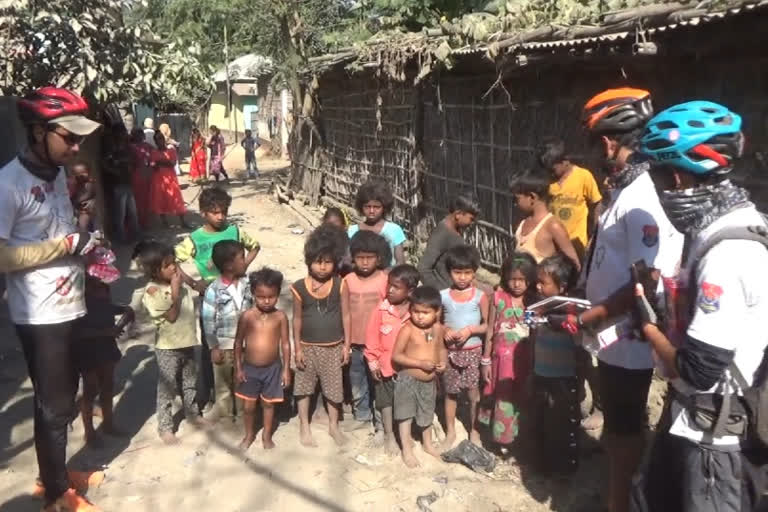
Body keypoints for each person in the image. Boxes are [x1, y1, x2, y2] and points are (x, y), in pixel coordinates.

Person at [549, 88, 683, 512]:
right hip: (614, 332)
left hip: (627, 338)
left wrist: (595, 314)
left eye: (596, 144)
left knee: (624, 427)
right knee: (619, 421)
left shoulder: (641, 194)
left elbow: (649, 277)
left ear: (608, 142)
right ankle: (618, 492)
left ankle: (618, 502)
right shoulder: (626, 189)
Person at [630, 101, 768, 511]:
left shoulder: (728, 253)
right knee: (647, 496)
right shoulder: (737, 223)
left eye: (657, 178)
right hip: (691, 420)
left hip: (715, 441)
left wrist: (649, 325)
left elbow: (699, 369)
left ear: (675, 176)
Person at [0, 87, 104, 512]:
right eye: (69, 136)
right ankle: (58, 497)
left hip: (70, 303)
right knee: (53, 403)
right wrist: (63, 247)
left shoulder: (58, 173)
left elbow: (59, 227)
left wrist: (82, 210)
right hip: (39, 313)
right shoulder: (8, 184)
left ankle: (54, 476)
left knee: (66, 393)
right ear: (39, 132)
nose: (77, 145)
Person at [175, 187, 260, 412]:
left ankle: (244, 392)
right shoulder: (194, 239)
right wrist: (193, 283)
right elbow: (173, 260)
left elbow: (255, 246)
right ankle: (214, 394)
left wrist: (242, 269)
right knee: (211, 345)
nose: (221, 217)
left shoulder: (235, 231)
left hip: (237, 294)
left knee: (242, 341)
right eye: (215, 212)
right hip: (211, 297)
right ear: (203, 213)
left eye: (224, 211)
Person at [135, 240, 207, 445]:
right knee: (167, 388)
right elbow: (173, 316)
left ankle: (193, 413)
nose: (174, 267)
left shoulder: (176, 280)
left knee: (189, 381)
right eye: (167, 265)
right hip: (168, 348)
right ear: (154, 271)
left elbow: (183, 276)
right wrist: (175, 291)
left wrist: (191, 283)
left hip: (187, 341)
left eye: (173, 262)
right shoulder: (153, 292)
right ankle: (165, 427)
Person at [292, 225, 350, 447]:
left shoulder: (340, 284)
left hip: (334, 347)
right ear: (309, 262)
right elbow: (296, 320)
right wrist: (297, 348)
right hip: (307, 347)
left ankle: (334, 426)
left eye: (328, 262)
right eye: (318, 261)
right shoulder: (299, 287)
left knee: (334, 389)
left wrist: (347, 345)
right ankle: (304, 426)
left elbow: (346, 316)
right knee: (304, 388)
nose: (323, 267)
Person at [480, 252, 536, 448]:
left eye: (522, 280)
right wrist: (485, 360)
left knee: (524, 398)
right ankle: (504, 440)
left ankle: (522, 440)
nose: (517, 284)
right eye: (512, 279)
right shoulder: (498, 298)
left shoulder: (533, 303)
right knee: (503, 398)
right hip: (501, 362)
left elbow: (535, 332)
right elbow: (490, 328)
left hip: (525, 361)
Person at [531, 255, 580, 476]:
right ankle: (542, 464)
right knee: (541, 418)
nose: (538, 286)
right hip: (541, 372)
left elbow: (580, 341)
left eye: (544, 283)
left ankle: (564, 467)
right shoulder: (538, 305)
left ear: (561, 286)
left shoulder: (573, 309)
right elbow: (532, 336)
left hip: (564, 375)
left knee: (563, 421)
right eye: (538, 281)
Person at [365, 264, 421, 454]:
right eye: (389, 285)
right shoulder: (381, 310)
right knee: (385, 402)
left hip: (409, 369)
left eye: (396, 287)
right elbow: (371, 339)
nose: (390, 290)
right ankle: (389, 434)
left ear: (410, 291)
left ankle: (405, 434)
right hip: (385, 367)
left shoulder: (417, 313)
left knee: (406, 401)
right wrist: (373, 362)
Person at [234, 267, 291, 450]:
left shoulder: (280, 317)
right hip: (250, 369)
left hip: (272, 369)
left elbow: (285, 344)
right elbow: (238, 343)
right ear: (253, 294)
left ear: (278, 294)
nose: (266, 301)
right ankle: (249, 434)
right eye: (261, 297)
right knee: (249, 407)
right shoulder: (247, 317)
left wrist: (286, 370)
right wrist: (239, 368)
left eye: (271, 296)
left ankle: (266, 435)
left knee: (268, 405)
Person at [74, 275, 134, 448]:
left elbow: (109, 309)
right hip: (87, 351)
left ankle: (108, 424)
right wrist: (107, 332)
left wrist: (125, 311)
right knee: (90, 390)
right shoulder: (78, 300)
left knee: (108, 386)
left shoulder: (103, 291)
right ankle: (89, 432)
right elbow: (78, 333)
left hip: (106, 348)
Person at [440, 245, 489, 450]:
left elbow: (487, 325)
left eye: (467, 272)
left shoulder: (480, 296)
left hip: (473, 352)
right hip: (450, 352)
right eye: (457, 272)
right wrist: (444, 330)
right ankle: (450, 430)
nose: (462, 277)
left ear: (474, 272)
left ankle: (474, 430)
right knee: (450, 393)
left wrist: (470, 331)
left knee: (473, 394)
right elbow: (436, 322)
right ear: (450, 272)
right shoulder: (443, 296)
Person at [392, 286, 447, 467]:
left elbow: (441, 349)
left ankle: (427, 444)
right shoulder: (407, 330)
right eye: (416, 311)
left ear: (437, 312)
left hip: (429, 381)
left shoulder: (438, 329)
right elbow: (397, 356)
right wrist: (419, 364)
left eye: (425, 312)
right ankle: (406, 449)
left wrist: (442, 363)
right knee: (405, 415)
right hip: (407, 380)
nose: (420, 316)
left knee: (426, 412)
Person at [342, 230, 391, 431]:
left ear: (378, 258)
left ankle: (380, 420)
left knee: (379, 382)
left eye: (369, 258)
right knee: (357, 379)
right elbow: (344, 312)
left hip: (378, 344)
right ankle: (362, 415)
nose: (364, 262)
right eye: (360, 258)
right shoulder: (348, 280)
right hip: (355, 342)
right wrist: (345, 342)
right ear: (353, 258)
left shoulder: (385, 280)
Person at [201, 240, 253, 422]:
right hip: (223, 344)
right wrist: (213, 347)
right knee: (223, 384)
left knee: (242, 380)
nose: (245, 261)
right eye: (242, 258)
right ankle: (224, 415)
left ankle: (241, 413)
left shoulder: (248, 284)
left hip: (246, 344)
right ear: (229, 265)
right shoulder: (213, 290)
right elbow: (208, 320)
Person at [538, 137, 603, 258]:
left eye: (553, 169)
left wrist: (594, 235)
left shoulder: (583, 176)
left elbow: (596, 204)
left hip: (576, 244)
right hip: (553, 245)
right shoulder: (547, 182)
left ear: (565, 161)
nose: (550, 173)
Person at [511, 171, 581, 271]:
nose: (515, 204)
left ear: (532, 197)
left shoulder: (552, 226)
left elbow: (574, 264)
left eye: (516, 199)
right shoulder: (522, 222)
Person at [418, 193, 480, 290]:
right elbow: (423, 269)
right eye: (471, 219)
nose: (472, 223)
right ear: (458, 214)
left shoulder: (455, 230)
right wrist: (443, 292)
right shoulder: (441, 234)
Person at [348, 180, 406, 266]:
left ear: (384, 208)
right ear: (361, 207)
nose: (371, 211)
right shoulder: (352, 231)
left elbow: (400, 262)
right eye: (367, 207)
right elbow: (349, 260)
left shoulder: (394, 230)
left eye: (376, 207)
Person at [103, 126, 141, 243]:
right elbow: (104, 163)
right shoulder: (112, 149)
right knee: (120, 214)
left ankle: (135, 236)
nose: (125, 135)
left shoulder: (126, 148)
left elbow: (134, 161)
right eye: (123, 133)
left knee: (133, 213)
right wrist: (116, 172)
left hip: (127, 183)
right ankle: (121, 239)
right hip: (118, 184)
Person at [149, 131, 191, 228]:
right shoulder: (154, 152)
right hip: (159, 180)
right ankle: (164, 222)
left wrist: (160, 162)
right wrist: (161, 163)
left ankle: (183, 221)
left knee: (176, 198)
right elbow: (152, 165)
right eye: (157, 140)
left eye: (161, 139)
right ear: (155, 142)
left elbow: (172, 163)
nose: (160, 141)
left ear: (164, 139)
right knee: (160, 199)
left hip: (171, 179)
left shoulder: (171, 150)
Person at [129, 128, 153, 229]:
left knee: (146, 199)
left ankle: (144, 222)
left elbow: (153, 156)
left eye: (140, 134)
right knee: (137, 200)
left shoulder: (147, 146)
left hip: (146, 175)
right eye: (137, 134)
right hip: (136, 175)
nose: (139, 136)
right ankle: (137, 223)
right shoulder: (130, 147)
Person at [67, 160, 97, 231]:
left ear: (89, 173)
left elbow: (95, 195)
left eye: (83, 173)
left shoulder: (90, 184)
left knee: (85, 227)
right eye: (77, 174)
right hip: (76, 211)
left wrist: (93, 201)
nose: (80, 176)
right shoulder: (72, 185)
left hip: (86, 211)